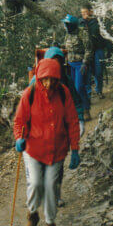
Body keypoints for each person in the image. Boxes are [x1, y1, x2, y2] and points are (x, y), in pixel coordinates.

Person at [13, 58, 80, 226]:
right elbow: (19, 121)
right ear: (39, 77)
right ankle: (32, 214)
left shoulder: (64, 93)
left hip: (57, 150)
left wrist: (75, 148)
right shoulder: (30, 93)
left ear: (58, 78)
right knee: (35, 183)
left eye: (53, 79)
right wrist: (19, 138)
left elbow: (72, 122)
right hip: (33, 148)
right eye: (45, 79)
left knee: (51, 187)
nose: (49, 83)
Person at [29, 46, 84, 207]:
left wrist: (79, 119)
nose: (57, 65)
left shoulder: (65, 80)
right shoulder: (35, 82)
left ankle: (56, 193)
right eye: (54, 61)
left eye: (60, 62)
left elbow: (76, 101)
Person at [62, 14, 93, 121]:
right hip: (71, 64)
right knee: (74, 89)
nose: (65, 26)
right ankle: (78, 111)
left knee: (79, 87)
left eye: (67, 24)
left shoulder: (82, 33)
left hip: (80, 64)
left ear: (72, 25)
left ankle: (86, 110)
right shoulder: (67, 35)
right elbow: (66, 47)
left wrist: (85, 63)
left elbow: (89, 49)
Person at [80, 4, 104, 99]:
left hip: (97, 49)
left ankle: (99, 90)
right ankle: (88, 93)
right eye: (82, 13)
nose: (84, 15)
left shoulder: (97, 22)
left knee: (98, 71)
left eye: (85, 12)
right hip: (86, 51)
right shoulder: (81, 23)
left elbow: (101, 35)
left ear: (90, 12)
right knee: (87, 72)